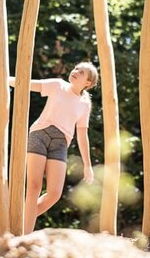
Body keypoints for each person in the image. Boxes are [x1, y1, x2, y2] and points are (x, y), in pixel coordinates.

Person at [9, 62, 98, 234]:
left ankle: (19, 220)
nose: (75, 71)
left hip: (60, 144)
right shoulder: (58, 85)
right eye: (76, 68)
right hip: (40, 135)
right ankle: (24, 236)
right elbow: (28, 83)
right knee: (34, 186)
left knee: (54, 194)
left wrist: (87, 165)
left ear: (87, 83)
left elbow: (82, 135)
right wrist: (4, 78)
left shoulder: (85, 104)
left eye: (81, 72)